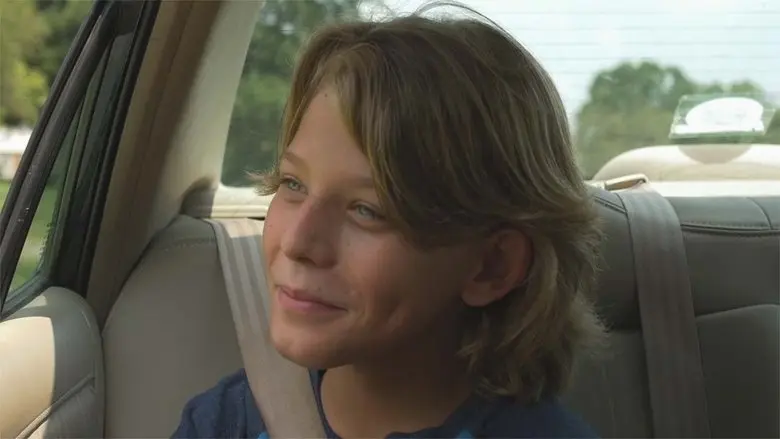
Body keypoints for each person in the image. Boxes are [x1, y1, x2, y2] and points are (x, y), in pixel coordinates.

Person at [172, 4, 605, 438]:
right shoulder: (222, 423)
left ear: (492, 266)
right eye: (293, 183)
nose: (298, 242)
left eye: (367, 210)